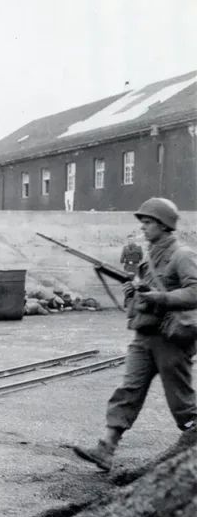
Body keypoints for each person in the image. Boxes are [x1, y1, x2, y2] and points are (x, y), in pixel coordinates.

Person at [73, 198, 197, 472]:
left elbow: (195, 292)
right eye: (142, 222)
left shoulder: (182, 255)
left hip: (171, 338)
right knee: (128, 390)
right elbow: (144, 296)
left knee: (181, 401)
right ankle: (106, 448)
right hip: (144, 336)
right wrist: (134, 294)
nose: (143, 227)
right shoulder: (148, 258)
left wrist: (161, 298)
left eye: (148, 222)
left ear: (165, 225)